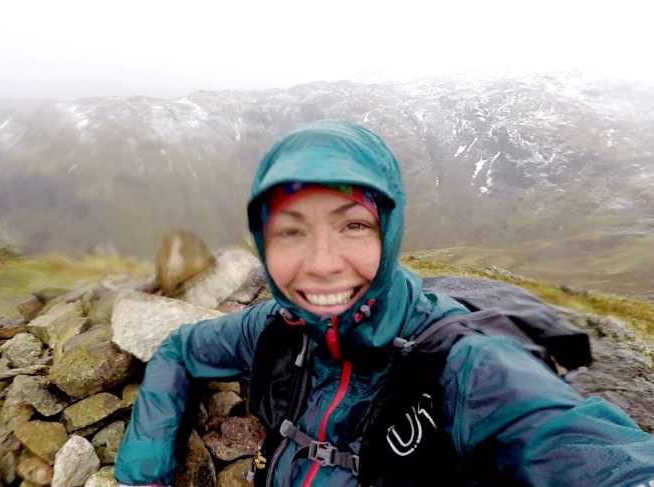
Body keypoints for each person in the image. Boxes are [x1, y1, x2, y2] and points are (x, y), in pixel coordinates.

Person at [114, 120, 654, 486]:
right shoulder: (274, 326)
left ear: (389, 233)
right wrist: (143, 473)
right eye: (291, 232)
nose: (322, 263)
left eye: (353, 225)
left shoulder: (467, 364)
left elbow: (587, 450)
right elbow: (180, 349)